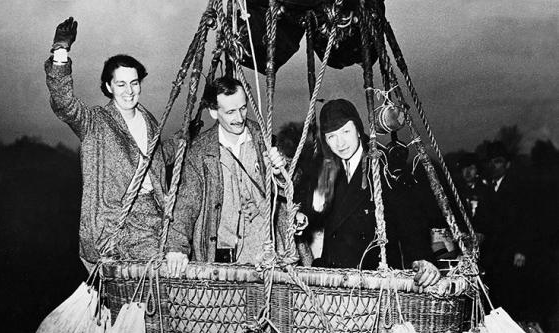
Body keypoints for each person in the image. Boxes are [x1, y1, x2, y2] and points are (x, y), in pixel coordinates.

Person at [45, 18, 177, 270]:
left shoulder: (149, 122)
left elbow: (160, 154)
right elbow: (64, 102)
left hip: (157, 218)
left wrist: (188, 134)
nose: (129, 91)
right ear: (108, 87)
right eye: (121, 84)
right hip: (117, 229)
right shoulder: (95, 122)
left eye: (135, 83)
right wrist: (61, 50)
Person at [307, 99, 440, 287]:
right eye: (331, 136)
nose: (340, 143)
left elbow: (410, 218)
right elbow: (312, 209)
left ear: (358, 129)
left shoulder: (384, 165)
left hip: (373, 281)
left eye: (346, 131)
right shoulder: (327, 168)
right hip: (334, 281)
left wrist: (422, 258)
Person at [166, 77, 289, 271]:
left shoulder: (265, 140)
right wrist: (176, 247)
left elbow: (291, 190)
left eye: (242, 108)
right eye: (230, 112)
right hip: (221, 260)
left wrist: (281, 171)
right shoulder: (199, 152)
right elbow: (186, 204)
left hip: (265, 260)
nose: (239, 118)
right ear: (213, 112)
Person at [481, 141, 533, 320]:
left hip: (512, 253)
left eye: (498, 161)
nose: (493, 166)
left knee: (512, 296)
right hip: (493, 253)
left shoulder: (518, 189)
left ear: (507, 164)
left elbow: (526, 222)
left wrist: (521, 250)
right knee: (494, 297)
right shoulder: (487, 189)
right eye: (491, 162)